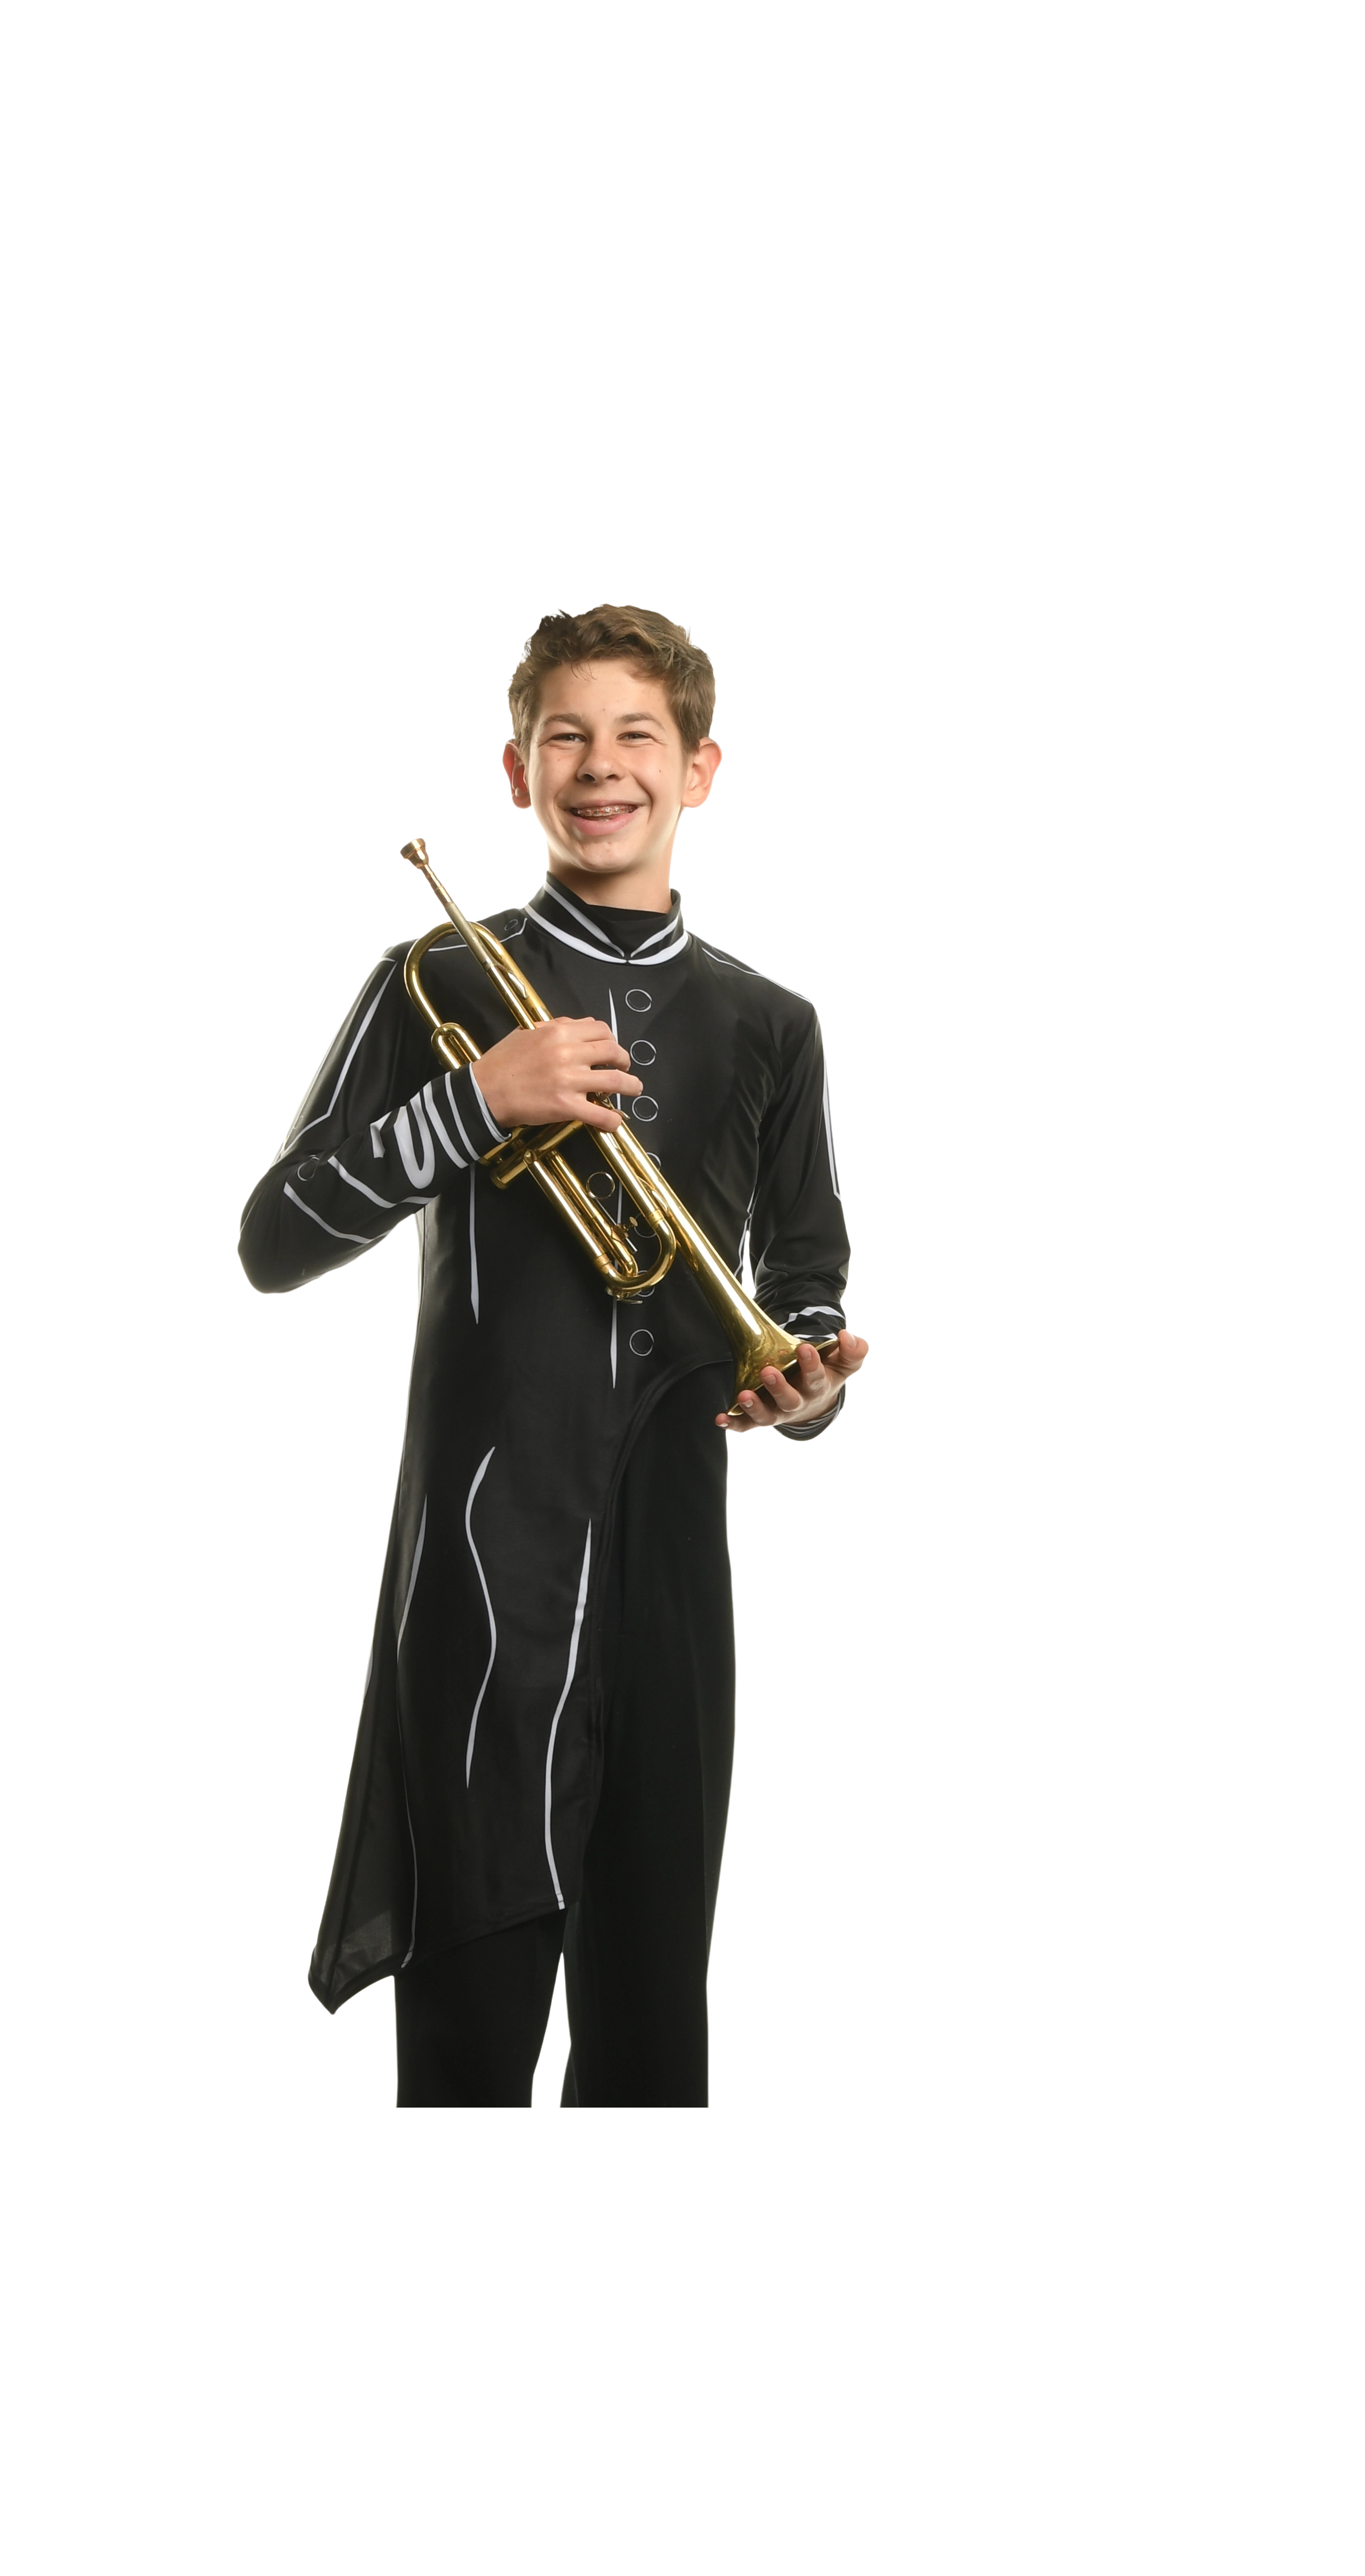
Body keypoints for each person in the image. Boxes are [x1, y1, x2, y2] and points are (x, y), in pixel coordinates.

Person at [238, 604, 868, 2105]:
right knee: (467, 2043)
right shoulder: (437, 981)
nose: (600, 766)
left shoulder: (772, 1023)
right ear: (517, 772)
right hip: (481, 1570)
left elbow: (806, 1280)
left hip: (673, 1572)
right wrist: (479, 1102)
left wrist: (805, 1390)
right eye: (563, 736)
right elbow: (273, 1239)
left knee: (653, 2032)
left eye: (638, 735)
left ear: (698, 769)